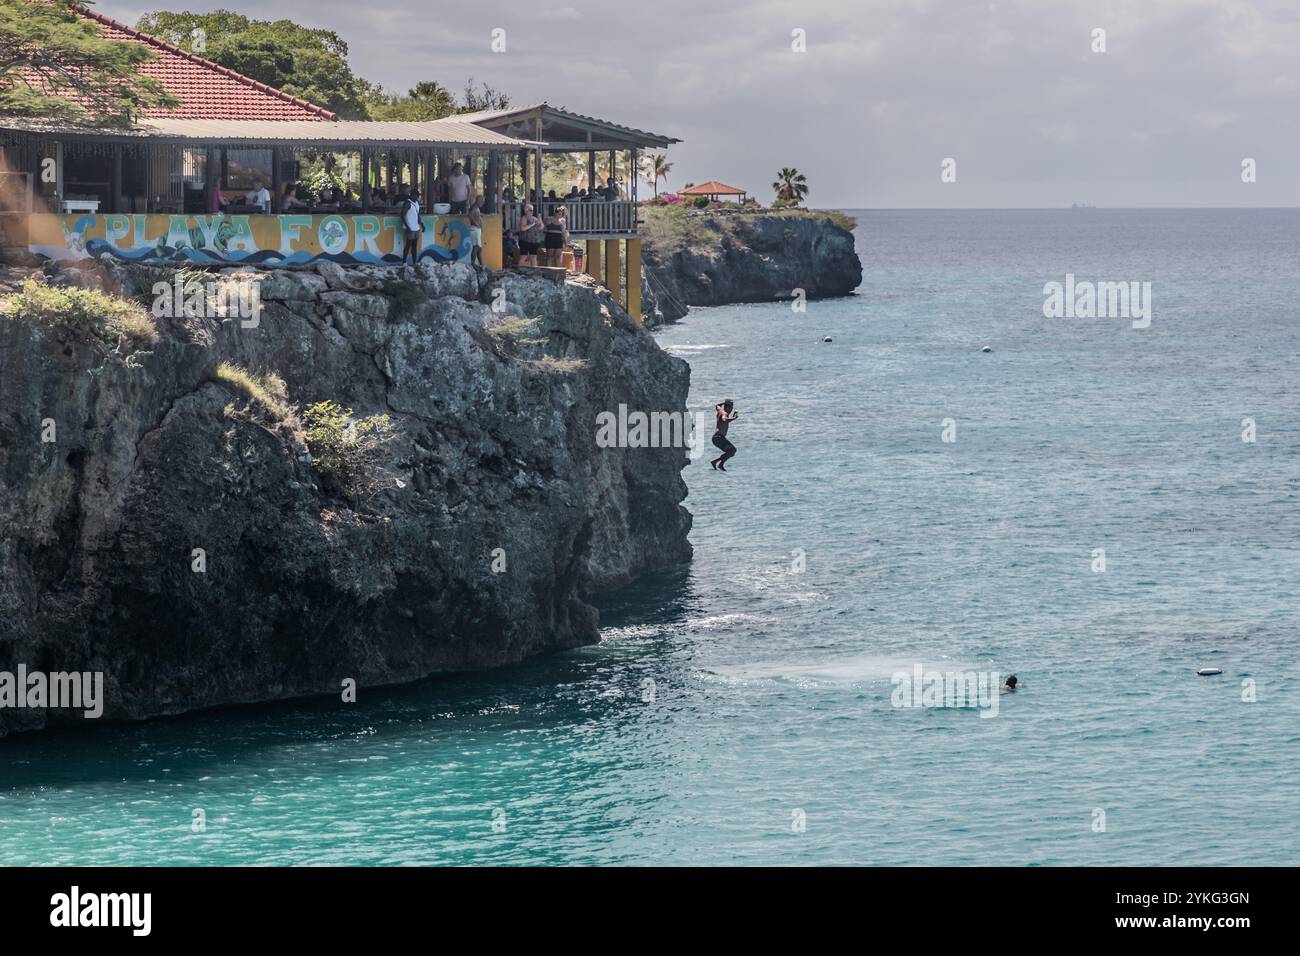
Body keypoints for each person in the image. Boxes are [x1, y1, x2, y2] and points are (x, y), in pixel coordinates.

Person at [710, 399, 739, 471]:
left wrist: (725, 403)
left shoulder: (720, 410)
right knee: (733, 451)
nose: (731, 410)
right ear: (728, 407)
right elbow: (724, 419)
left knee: (730, 451)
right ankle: (719, 464)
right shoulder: (724, 414)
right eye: (731, 408)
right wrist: (734, 418)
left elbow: (717, 405)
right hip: (719, 438)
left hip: (716, 438)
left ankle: (716, 462)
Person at [400, 188, 422, 266]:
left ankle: (414, 262)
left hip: (416, 227)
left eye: (418, 196)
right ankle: (404, 262)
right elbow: (402, 215)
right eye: (416, 196)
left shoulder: (416, 203)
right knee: (408, 245)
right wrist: (407, 226)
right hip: (410, 227)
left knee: (414, 245)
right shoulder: (408, 203)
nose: (417, 197)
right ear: (412, 195)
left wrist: (422, 224)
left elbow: (417, 215)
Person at [467, 195, 484, 268]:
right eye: (482, 201)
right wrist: (476, 223)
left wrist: (479, 215)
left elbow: (473, 215)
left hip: (475, 229)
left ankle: (480, 264)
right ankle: (475, 264)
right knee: (477, 247)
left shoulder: (475, 207)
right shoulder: (475, 207)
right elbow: (470, 215)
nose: (483, 203)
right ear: (478, 201)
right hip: (475, 229)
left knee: (477, 248)